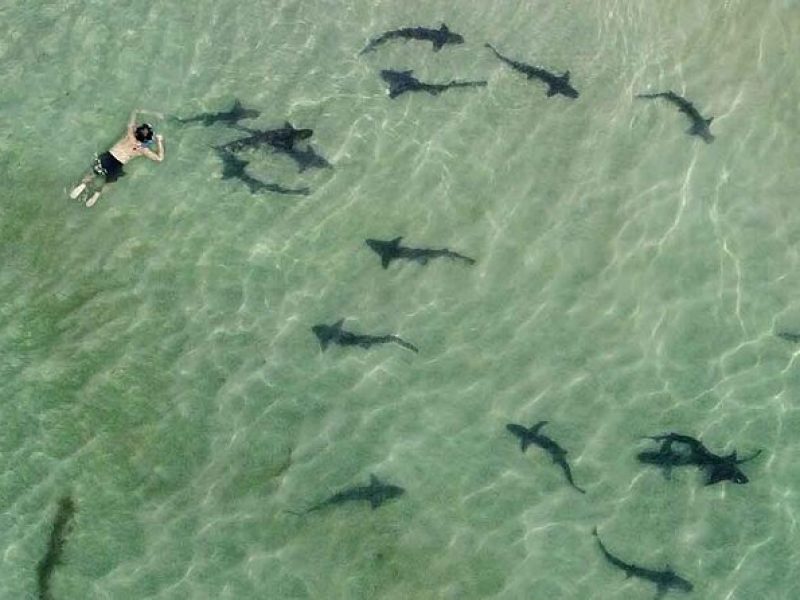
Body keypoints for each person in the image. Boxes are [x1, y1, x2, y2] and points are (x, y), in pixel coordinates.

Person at [70, 109, 165, 207]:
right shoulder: (142, 149)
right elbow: (159, 158)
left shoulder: (130, 134)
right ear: (147, 140)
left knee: (93, 173)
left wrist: (152, 113)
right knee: (108, 183)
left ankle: (83, 184)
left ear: (136, 131)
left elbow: (135, 111)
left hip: (109, 156)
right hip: (118, 165)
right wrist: (159, 141)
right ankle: (96, 195)